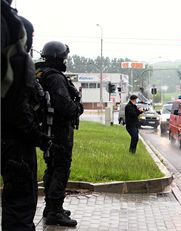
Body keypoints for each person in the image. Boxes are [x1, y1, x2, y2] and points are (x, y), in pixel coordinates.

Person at [1, 1, 44, 230]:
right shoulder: (18, 58)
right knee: (20, 204)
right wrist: (37, 136)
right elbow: (18, 107)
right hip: (15, 141)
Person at [35, 41, 82, 227]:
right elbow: (64, 105)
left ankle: (52, 207)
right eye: (64, 57)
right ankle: (54, 211)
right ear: (58, 57)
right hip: (59, 131)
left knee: (53, 168)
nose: (65, 60)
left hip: (49, 129)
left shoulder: (43, 73)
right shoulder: (55, 77)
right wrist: (77, 108)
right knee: (60, 169)